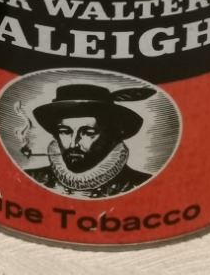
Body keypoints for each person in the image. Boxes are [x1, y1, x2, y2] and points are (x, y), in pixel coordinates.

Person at [24, 82, 154, 198]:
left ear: (112, 135)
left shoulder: (141, 184)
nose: (73, 144)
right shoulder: (31, 178)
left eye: (88, 133)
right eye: (65, 131)